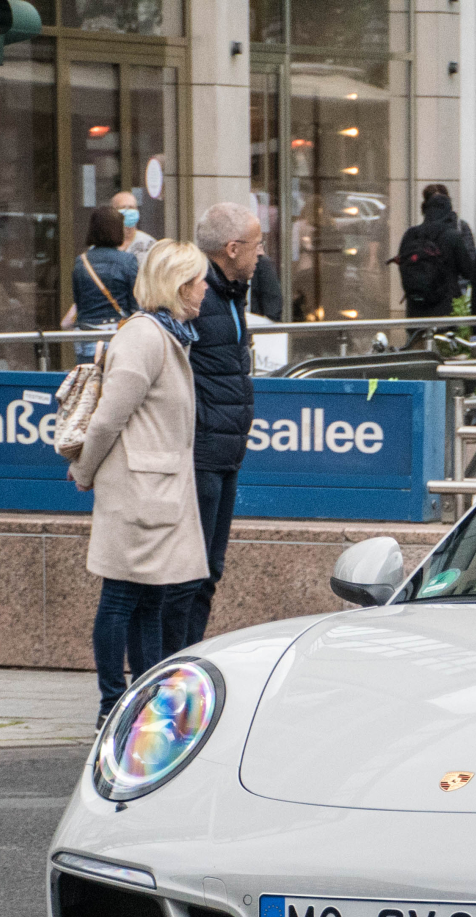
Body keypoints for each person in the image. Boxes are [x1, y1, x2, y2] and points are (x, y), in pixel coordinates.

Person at [70, 239, 212, 724]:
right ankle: (113, 703)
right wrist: (84, 470)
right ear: (178, 286)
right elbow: (108, 418)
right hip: (137, 489)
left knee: (150, 598)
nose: (206, 288)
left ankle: (143, 699)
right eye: (199, 280)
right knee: (123, 597)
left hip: (157, 488)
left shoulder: (172, 335)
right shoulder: (146, 336)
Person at [182, 201, 261, 649]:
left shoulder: (232, 292)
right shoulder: (195, 295)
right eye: (256, 245)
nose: (261, 254)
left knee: (210, 570)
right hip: (202, 451)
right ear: (232, 249)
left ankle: (185, 658)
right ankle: (170, 664)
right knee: (191, 573)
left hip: (228, 449)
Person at [391, 187, 473, 324]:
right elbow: (469, 271)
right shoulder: (452, 236)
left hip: (415, 311)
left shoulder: (411, 234)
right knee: (442, 344)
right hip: (445, 312)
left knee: (418, 344)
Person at [66, 205, 140, 351]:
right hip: (118, 335)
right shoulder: (128, 261)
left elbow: (78, 301)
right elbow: (135, 302)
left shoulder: (81, 261)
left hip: (86, 337)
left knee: (87, 373)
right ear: (118, 229)